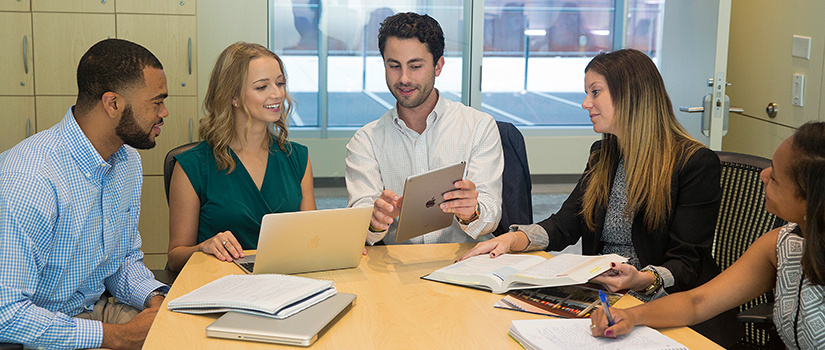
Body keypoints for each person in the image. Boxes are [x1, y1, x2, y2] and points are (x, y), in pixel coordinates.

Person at [460, 49, 740, 345]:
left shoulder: (693, 163)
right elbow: (566, 223)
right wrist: (512, 239)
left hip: (666, 303)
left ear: (630, 95)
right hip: (607, 295)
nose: (585, 104)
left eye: (595, 92)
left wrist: (640, 279)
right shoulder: (603, 154)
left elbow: (685, 263)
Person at [591, 121, 825, 349]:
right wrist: (630, 316)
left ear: (810, 201)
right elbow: (697, 303)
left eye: (775, 177)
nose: (764, 175)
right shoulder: (781, 243)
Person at [0, 38, 169, 349]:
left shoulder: (127, 160)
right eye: (156, 102)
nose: (165, 112)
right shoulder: (29, 179)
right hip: (40, 329)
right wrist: (119, 337)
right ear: (113, 103)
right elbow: (6, 315)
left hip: (93, 311)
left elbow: (121, 262)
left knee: (192, 334)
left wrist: (155, 299)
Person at [346, 12, 504, 245]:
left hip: (464, 263)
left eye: (415, 66)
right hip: (398, 271)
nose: (404, 78)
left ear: (438, 66)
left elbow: (491, 215)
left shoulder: (479, 127)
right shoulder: (366, 140)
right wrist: (373, 220)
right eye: (394, 66)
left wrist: (472, 211)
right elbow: (360, 226)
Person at [167, 42, 316, 272]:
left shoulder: (297, 158)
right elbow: (176, 256)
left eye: (280, 83)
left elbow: (312, 238)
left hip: (285, 285)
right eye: (262, 87)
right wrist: (203, 247)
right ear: (233, 96)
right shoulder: (192, 166)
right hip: (219, 285)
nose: (277, 93)